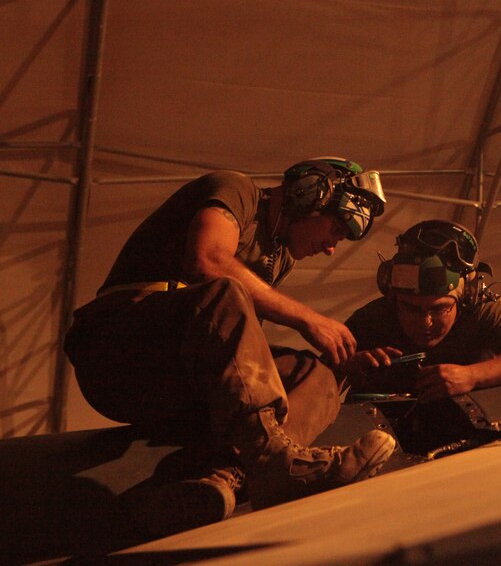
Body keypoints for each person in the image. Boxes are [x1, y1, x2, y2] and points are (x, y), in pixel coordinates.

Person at [63, 157, 396, 541]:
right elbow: (207, 261)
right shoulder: (238, 190)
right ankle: (274, 460)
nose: (331, 250)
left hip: (177, 379)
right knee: (227, 289)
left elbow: (238, 353)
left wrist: (342, 365)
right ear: (310, 196)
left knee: (315, 373)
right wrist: (309, 319)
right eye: (336, 230)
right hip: (117, 352)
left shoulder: (279, 256)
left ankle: (222, 479)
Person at [342, 219, 501, 401]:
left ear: (466, 295)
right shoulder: (370, 320)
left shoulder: (480, 310)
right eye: (410, 308)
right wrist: (346, 368)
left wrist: (472, 376)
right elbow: (316, 380)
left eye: (439, 309)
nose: (425, 322)